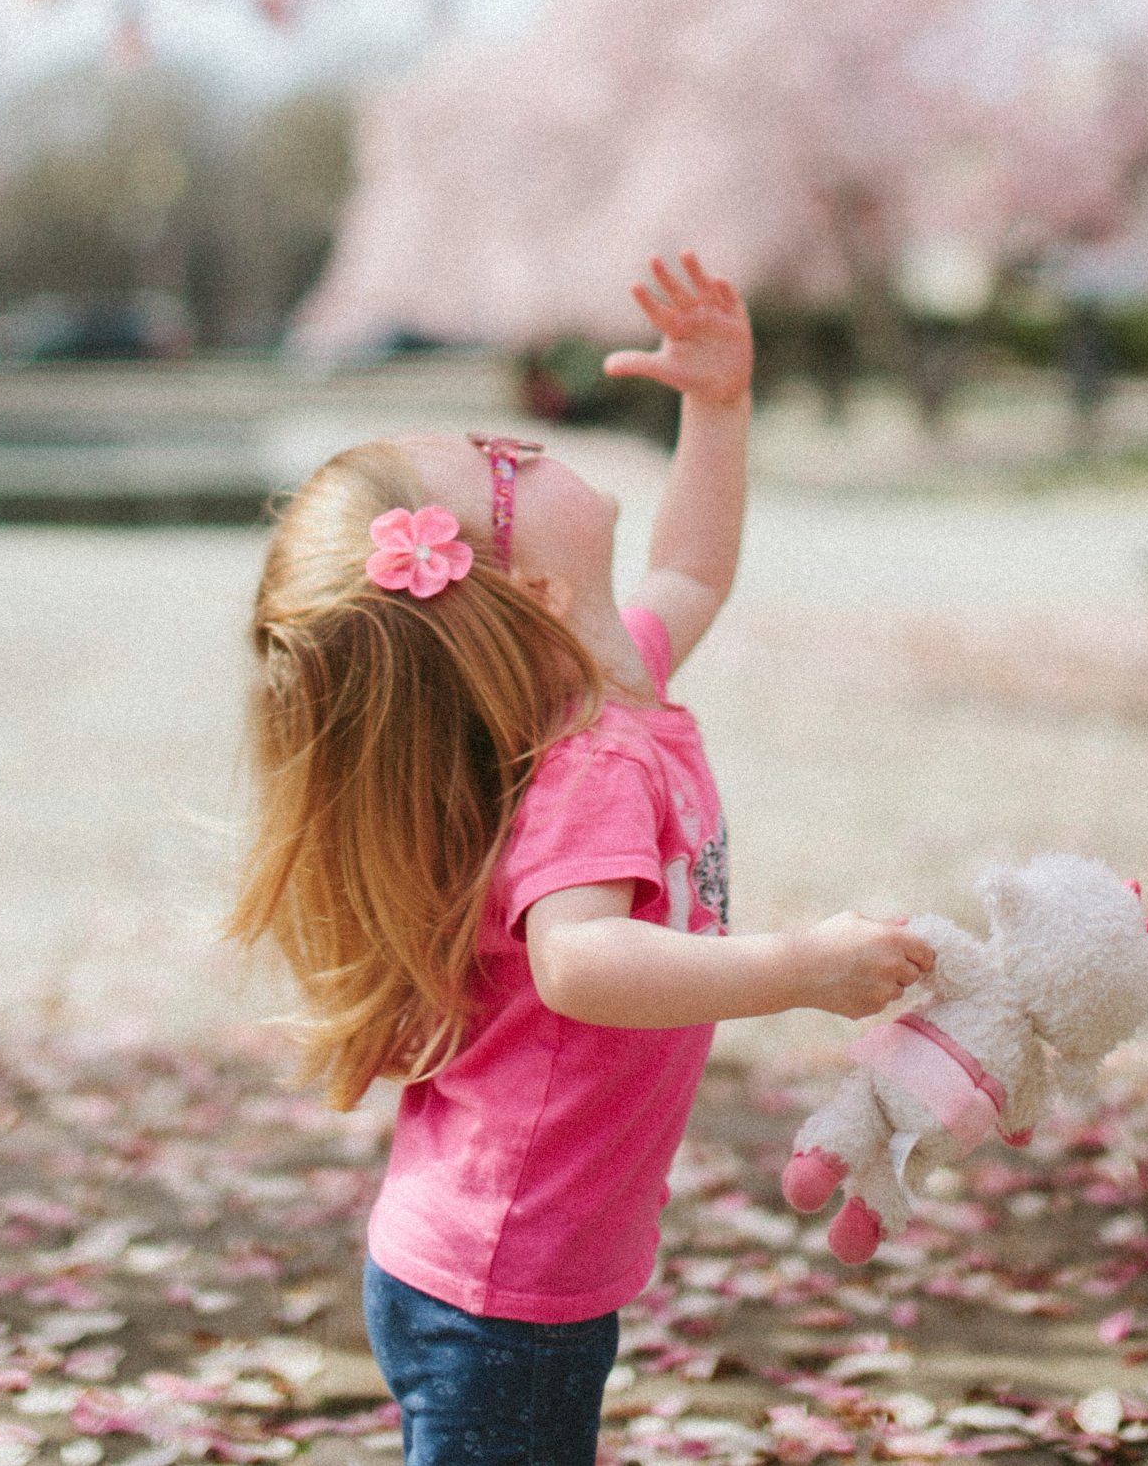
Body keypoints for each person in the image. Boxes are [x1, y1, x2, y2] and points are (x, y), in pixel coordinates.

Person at [230, 252, 934, 1466]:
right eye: (503, 469)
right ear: (540, 589)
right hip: (502, 1285)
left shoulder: (616, 677)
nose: (521, 441)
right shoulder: (586, 763)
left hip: (499, 1257)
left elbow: (697, 565)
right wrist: (798, 966)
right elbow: (580, 959)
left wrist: (715, 406)